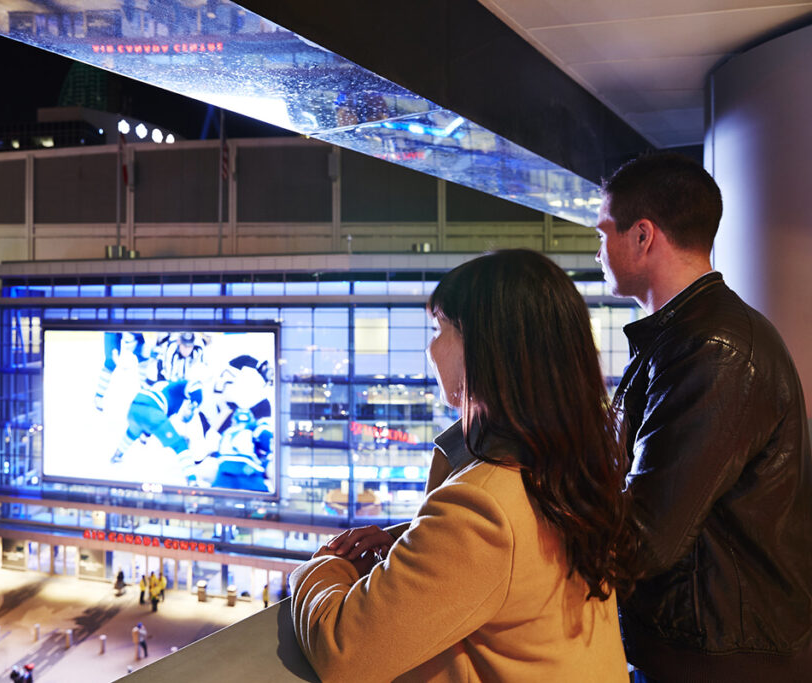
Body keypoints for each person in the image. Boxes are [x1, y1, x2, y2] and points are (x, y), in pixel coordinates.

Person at [290, 250, 639, 681]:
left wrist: (323, 565)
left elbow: (343, 651)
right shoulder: (565, 468)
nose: (430, 348)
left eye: (438, 328)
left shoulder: (481, 507)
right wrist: (408, 543)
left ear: (484, 346)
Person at [597, 152, 812, 681]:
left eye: (603, 233)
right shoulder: (684, 337)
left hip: (718, 660)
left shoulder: (712, 348)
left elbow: (643, 537)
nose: (597, 250)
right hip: (702, 650)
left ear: (642, 236)